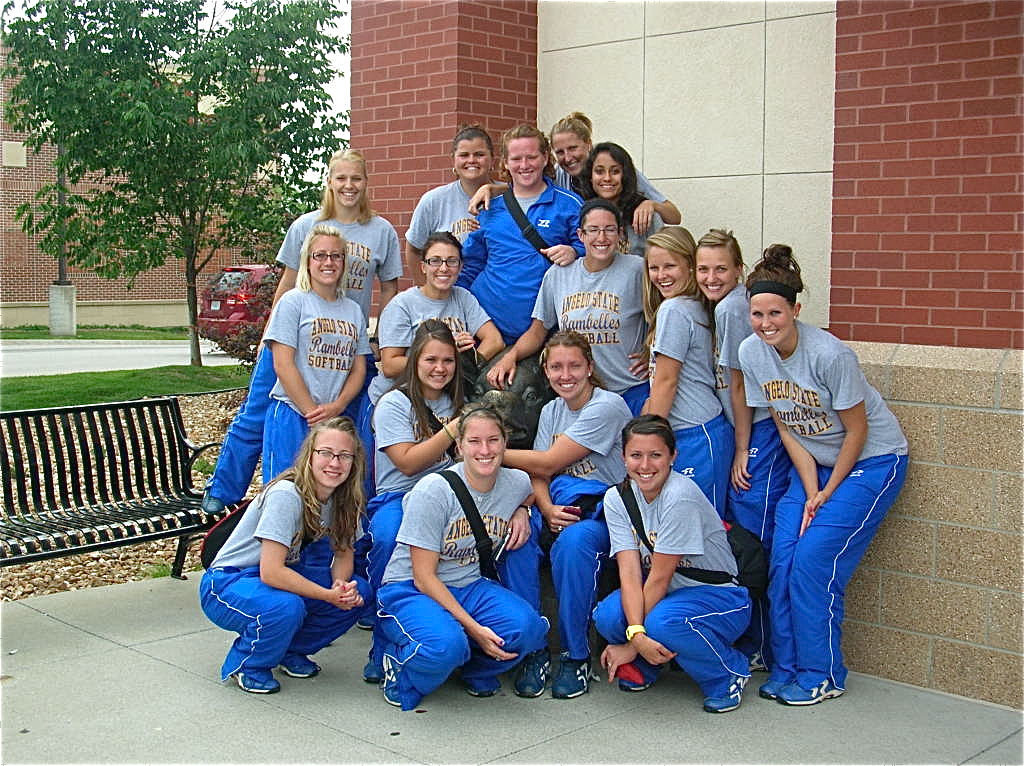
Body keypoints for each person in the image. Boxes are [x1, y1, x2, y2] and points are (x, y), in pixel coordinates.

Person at [737, 244, 908, 706]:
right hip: (812, 464)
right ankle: (786, 667)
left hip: (870, 461)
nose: (766, 322)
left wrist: (828, 493)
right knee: (784, 558)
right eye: (757, 313)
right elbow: (785, 422)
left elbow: (857, 430)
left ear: (795, 309)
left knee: (813, 563)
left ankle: (822, 673)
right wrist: (811, 490)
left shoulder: (831, 354)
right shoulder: (752, 352)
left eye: (775, 312)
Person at [201, 148, 403, 513]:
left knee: (351, 424)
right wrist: (270, 335)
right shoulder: (304, 226)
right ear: (328, 182)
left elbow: (389, 290)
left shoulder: (381, 231)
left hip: (345, 345)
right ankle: (224, 491)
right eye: (341, 178)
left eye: (356, 178)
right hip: (294, 337)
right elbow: (287, 284)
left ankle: (350, 509)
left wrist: (381, 339)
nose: (348, 186)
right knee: (256, 413)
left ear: (366, 183)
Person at [374, 405, 548, 709]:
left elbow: (528, 492)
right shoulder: (434, 490)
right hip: (412, 589)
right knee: (446, 646)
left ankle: (467, 670)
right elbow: (424, 577)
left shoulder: (516, 481)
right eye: (474, 441)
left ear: (505, 444)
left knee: (528, 629)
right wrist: (474, 628)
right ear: (459, 446)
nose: (485, 450)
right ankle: (397, 663)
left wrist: (523, 510)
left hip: (469, 584)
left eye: (493, 440)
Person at [500, 331, 632, 699]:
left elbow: (549, 461)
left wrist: (486, 450)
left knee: (574, 545)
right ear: (545, 371)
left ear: (590, 367)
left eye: (575, 365)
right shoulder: (550, 410)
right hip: (557, 503)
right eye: (556, 367)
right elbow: (539, 475)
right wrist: (543, 508)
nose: (565, 375)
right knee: (515, 540)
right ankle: (533, 648)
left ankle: (576, 654)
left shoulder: (608, 406)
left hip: (601, 510)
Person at [199, 417, 371, 694]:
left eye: (344, 456)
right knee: (284, 607)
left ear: (355, 461)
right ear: (309, 454)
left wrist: (340, 587)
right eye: (325, 453)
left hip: (280, 576)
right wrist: (326, 595)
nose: (334, 463)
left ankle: (288, 651)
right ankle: (249, 664)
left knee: (358, 592)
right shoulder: (287, 495)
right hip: (230, 581)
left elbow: (342, 555)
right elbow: (271, 571)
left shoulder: (345, 500)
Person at [593, 414, 752, 713]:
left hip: (717, 597)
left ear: (673, 456)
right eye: (636, 455)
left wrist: (633, 641)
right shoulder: (617, 497)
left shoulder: (680, 496)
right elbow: (629, 573)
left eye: (655, 455)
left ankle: (727, 672)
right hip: (668, 596)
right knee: (607, 615)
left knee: (662, 622)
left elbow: (658, 579)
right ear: (623, 457)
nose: (645, 466)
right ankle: (649, 665)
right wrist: (635, 633)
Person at [695, 228, 791, 671]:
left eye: (720, 268)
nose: (711, 277)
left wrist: (741, 448)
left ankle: (765, 645)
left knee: (755, 535)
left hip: (758, 434)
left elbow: (738, 384)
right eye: (703, 269)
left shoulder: (736, 308)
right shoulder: (720, 306)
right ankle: (752, 639)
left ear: (738, 270)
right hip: (745, 433)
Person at [362, 319, 466, 680]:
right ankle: (382, 642)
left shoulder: (460, 401)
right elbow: (406, 463)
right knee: (390, 538)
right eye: (431, 360)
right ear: (415, 362)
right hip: (399, 497)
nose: (440, 369)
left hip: (451, 499)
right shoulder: (394, 402)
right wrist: (455, 429)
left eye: (448, 361)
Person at [486, 198, 649, 415]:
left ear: (620, 234)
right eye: (593, 230)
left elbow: (661, 313)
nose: (601, 237)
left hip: (630, 390)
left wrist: (651, 351)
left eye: (609, 229)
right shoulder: (558, 274)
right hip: (581, 396)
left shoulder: (637, 270)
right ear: (581, 235)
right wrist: (511, 356)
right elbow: (538, 331)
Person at [261, 224, 369, 481]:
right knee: (285, 491)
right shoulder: (294, 301)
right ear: (307, 261)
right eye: (320, 255)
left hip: (332, 417)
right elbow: (283, 364)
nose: (328, 262)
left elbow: (359, 368)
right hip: (293, 414)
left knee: (326, 494)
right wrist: (312, 413)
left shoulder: (353, 310)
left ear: (344, 262)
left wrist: (339, 405)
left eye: (336, 256)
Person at [463, 124, 585, 344]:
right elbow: (473, 264)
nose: (524, 165)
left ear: (545, 158)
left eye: (531, 157)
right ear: (506, 163)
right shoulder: (491, 207)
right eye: (517, 159)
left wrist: (575, 251)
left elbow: (595, 253)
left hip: (543, 332)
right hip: (486, 328)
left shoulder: (570, 204)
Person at [641, 226, 732, 515]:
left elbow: (667, 382)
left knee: (698, 525)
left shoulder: (675, 310)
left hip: (696, 432)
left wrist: (648, 440)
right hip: (691, 430)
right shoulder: (686, 306)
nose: (661, 275)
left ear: (690, 267)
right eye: (654, 267)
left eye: (670, 265)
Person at [548, 112, 680, 233]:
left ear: (588, 144)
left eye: (573, 148)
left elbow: (675, 217)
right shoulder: (557, 174)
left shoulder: (617, 169)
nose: (568, 158)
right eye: (560, 152)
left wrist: (650, 204)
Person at [405, 124, 496, 285]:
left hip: (496, 298)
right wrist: (425, 292)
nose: (471, 160)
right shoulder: (433, 201)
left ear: (492, 159)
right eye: (464, 155)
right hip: (448, 298)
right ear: (453, 159)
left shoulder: (509, 198)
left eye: (479, 154)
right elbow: (413, 249)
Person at [578, 142, 663, 255]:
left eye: (615, 171)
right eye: (599, 171)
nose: (607, 178)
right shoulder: (581, 212)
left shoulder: (646, 214)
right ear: (590, 176)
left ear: (625, 176)